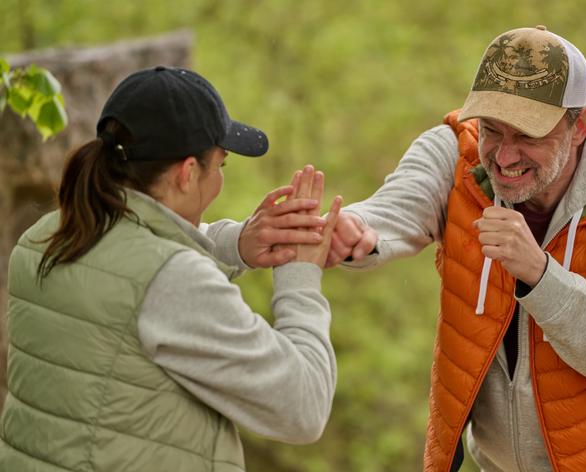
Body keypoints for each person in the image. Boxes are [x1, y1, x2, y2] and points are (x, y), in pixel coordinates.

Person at [328, 26, 586, 471]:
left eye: (526, 136)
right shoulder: (457, 151)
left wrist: (540, 274)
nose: (504, 157)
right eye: (491, 130)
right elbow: (394, 208)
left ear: (579, 124)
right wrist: (358, 230)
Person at [0, 66, 342, 471]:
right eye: (221, 167)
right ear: (187, 172)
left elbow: (132, 261)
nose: (219, 182)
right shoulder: (172, 281)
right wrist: (299, 272)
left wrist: (238, 244)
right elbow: (303, 406)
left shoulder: (45, 237)